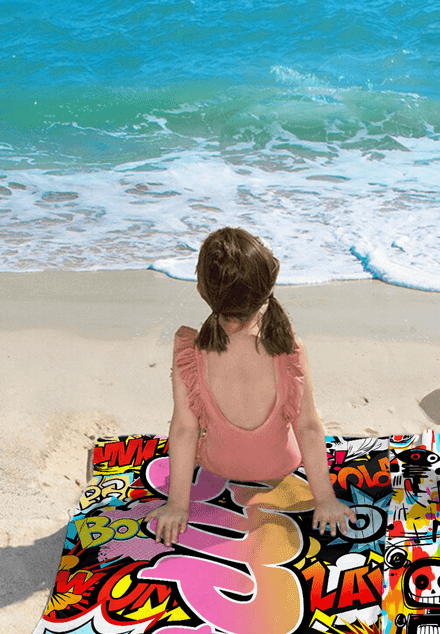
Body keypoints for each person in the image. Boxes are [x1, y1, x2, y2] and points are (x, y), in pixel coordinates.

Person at [145, 226, 355, 546]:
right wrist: (325, 499)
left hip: (218, 466)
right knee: (302, 415)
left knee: (200, 423)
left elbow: (185, 430)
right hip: (282, 465)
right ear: (268, 284)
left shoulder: (190, 353)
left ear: (201, 290)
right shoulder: (290, 351)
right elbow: (309, 428)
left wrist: (177, 505)